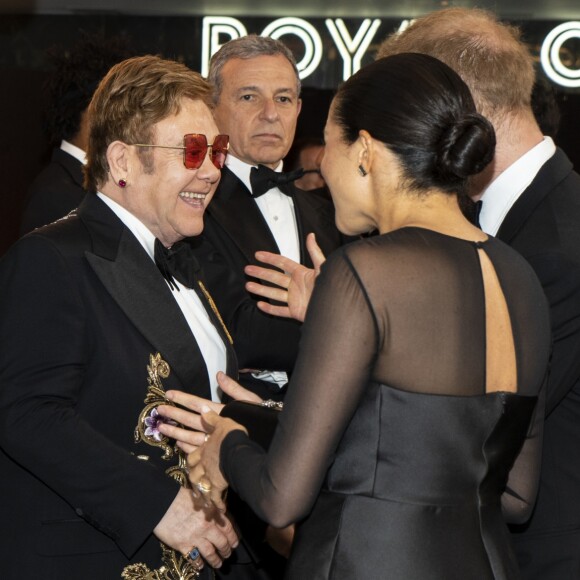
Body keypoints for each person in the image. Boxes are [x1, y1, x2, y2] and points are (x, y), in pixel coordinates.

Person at [158, 53, 552, 579]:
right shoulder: (520, 275)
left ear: (364, 151)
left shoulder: (364, 272)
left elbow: (281, 500)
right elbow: (513, 494)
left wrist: (227, 438)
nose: (320, 164)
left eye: (330, 143)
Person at [0, 54, 267, 579]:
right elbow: (25, 413)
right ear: (122, 162)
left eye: (217, 150)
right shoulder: (52, 258)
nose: (212, 169)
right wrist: (159, 506)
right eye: (193, 149)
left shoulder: (187, 264)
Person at [377, 10, 580, 579]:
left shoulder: (556, 248)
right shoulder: (523, 217)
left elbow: (476, 433)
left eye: (410, 114)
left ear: (459, 106)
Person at [189, 35, 347, 402]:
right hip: (231, 422)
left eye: (283, 98)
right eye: (249, 96)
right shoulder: (195, 204)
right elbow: (237, 335)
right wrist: (341, 327)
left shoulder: (332, 215)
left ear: (298, 108)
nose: (271, 113)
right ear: (212, 108)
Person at [20, 32, 132, 235]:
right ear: (93, 112)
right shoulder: (53, 193)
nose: (128, 120)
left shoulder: (87, 179)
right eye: (119, 109)